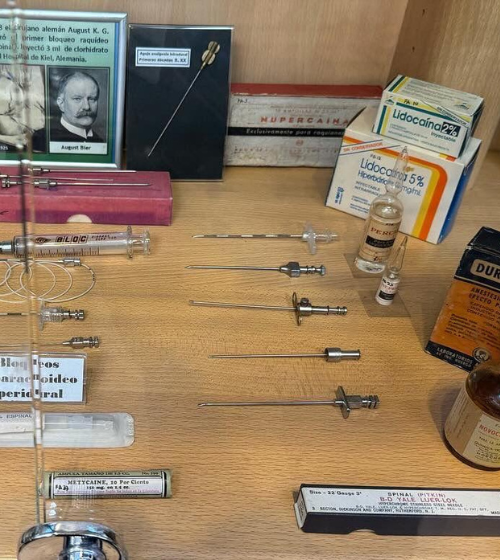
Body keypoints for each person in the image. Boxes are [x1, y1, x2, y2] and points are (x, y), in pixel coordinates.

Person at [51, 71, 104, 143]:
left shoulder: (99, 141)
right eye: (77, 99)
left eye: (92, 99)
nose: (87, 107)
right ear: (61, 104)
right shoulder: (42, 139)